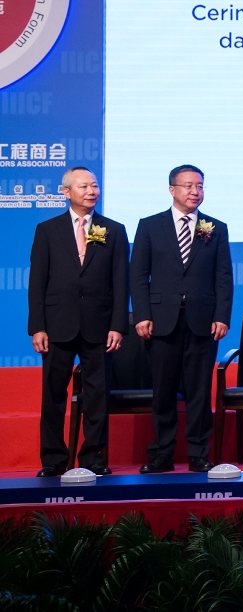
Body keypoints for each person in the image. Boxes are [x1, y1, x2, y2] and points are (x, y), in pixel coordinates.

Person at [130, 165, 233, 473]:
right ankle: (161, 453)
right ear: (172, 189)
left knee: (200, 391)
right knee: (162, 390)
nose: (195, 191)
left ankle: (199, 453)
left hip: (203, 321)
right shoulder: (150, 226)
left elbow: (223, 276)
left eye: (199, 186)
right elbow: (138, 274)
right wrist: (142, 315)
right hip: (161, 321)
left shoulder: (215, 228)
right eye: (188, 186)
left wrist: (222, 316)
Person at [27, 168, 128, 477]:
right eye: (83, 186)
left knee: (97, 395)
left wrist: (118, 325)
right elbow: (37, 282)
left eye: (94, 185)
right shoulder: (48, 229)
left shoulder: (113, 229)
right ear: (66, 192)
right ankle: (53, 459)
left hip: (99, 325)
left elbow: (120, 282)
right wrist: (37, 326)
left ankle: (93, 458)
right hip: (57, 324)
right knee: (53, 394)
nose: (91, 191)